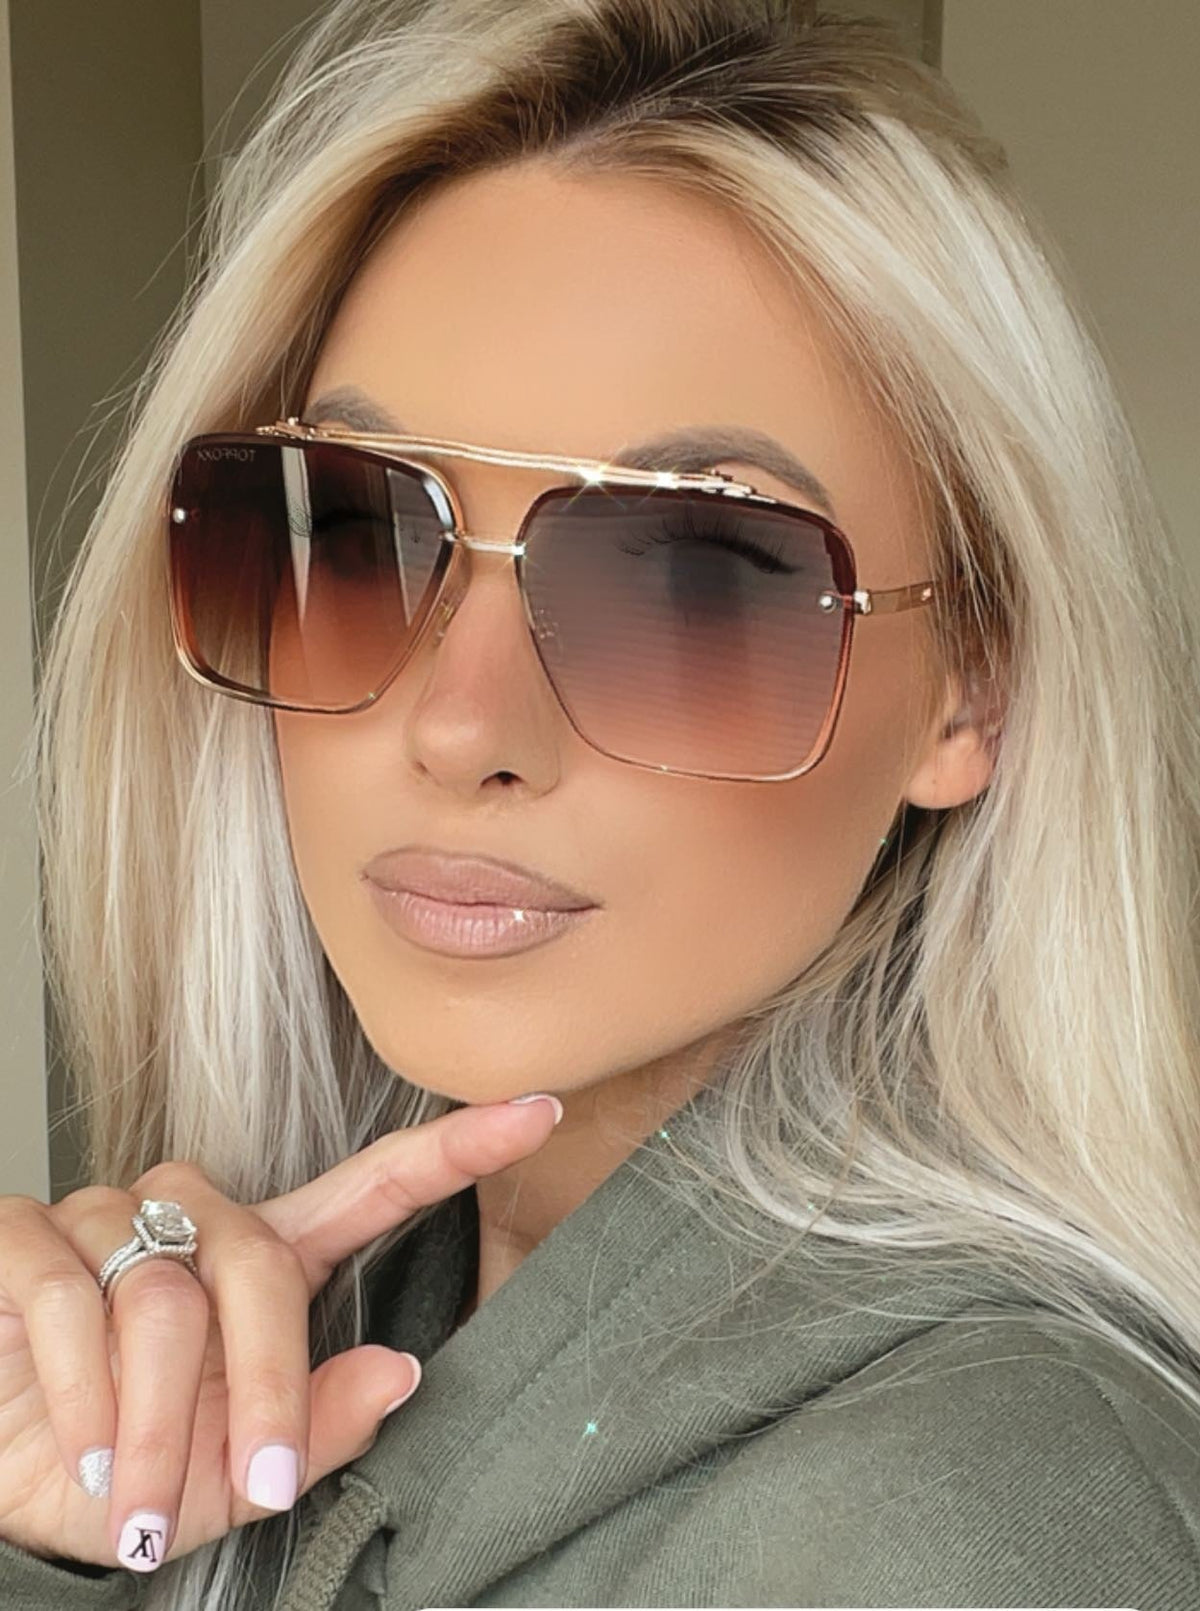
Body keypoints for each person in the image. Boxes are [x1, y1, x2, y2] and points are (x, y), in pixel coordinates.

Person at [2, 0, 1199, 1606]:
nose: (462, 725)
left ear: (970, 688)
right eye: (351, 530)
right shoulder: (361, 1311)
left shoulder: (963, 1532)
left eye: (695, 575)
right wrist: (70, 1514)